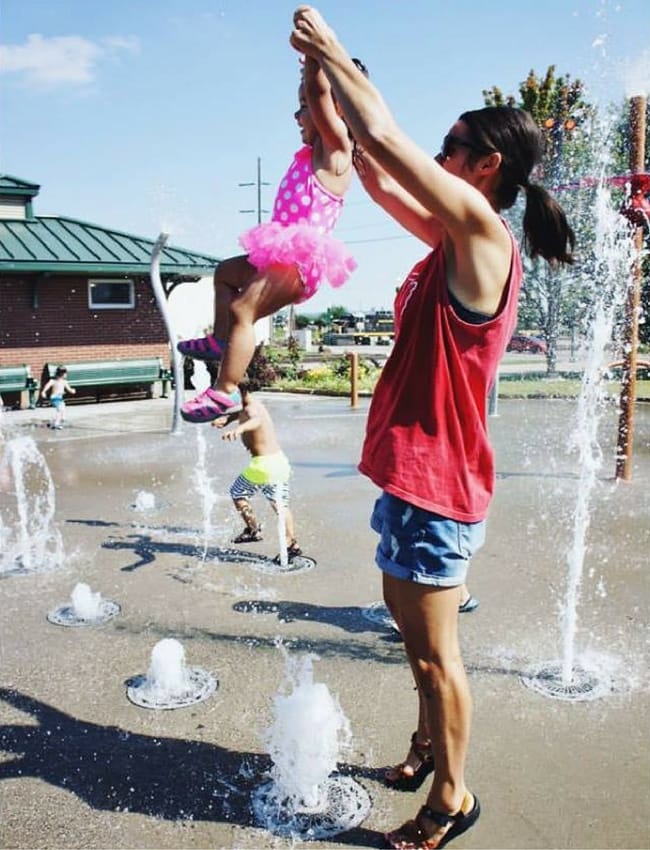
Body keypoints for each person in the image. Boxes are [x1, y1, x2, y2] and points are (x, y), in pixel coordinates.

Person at [290, 8, 574, 850]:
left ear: (486, 168)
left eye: (452, 148)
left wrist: (332, 51)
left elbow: (384, 136)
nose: (440, 157)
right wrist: (320, 100)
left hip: (439, 488)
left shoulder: (484, 234)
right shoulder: (449, 239)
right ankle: (424, 748)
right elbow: (373, 170)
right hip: (414, 482)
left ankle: (453, 799)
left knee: (437, 660)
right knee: (413, 646)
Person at [178, 55, 365, 424]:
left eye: (304, 108)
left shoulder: (336, 150)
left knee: (242, 310)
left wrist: (315, 60)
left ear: (335, 108)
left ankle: (224, 392)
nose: (297, 117)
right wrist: (309, 72)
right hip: (279, 253)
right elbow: (317, 93)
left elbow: (320, 92)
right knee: (225, 274)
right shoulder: (310, 154)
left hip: (300, 260)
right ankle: (219, 342)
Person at [213, 384, 302, 563]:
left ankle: (254, 530)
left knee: (238, 493)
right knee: (280, 505)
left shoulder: (253, 410)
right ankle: (291, 544)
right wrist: (227, 420)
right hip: (276, 462)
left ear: (240, 392)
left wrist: (238, 429)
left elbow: (255, 420)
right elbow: (242, 413)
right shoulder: (251, 403)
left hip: (264, 466)